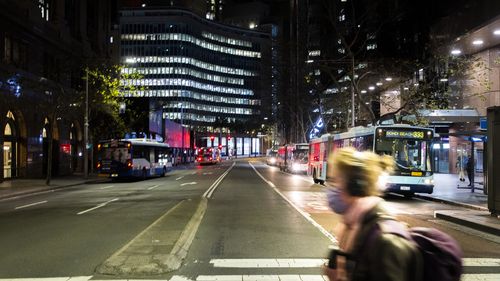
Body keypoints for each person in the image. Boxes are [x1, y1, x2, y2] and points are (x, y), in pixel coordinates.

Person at [323, 148, 422, 281]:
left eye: (335, 181)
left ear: (355, 186)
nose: (331, 188)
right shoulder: (354, 226)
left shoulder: (385, 241)